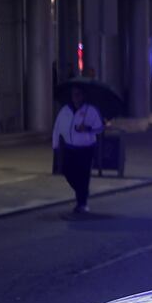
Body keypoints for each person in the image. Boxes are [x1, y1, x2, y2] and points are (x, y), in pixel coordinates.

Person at [52, 85, 104, 213]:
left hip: (86, 148)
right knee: (67, 171)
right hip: (70, 148)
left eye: (78, 94)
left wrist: (88, 129)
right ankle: (82, 191)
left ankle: (82, 203)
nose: (76, 97)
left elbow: (100, 128)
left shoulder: (90, 110)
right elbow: (57, 128)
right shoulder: (65, 110)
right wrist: (55, 145)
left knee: (83, 175)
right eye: (74, 94)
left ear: (83, 95)